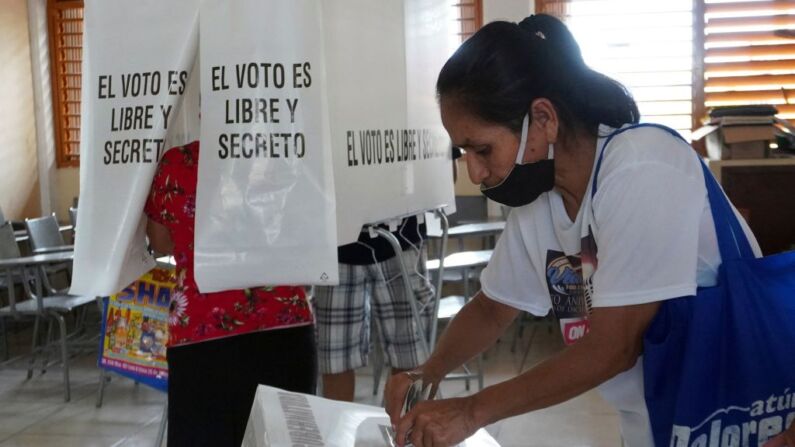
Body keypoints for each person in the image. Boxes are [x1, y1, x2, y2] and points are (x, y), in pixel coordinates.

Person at [384, 14, 765, 447]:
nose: (474, 171)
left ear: (542, 118)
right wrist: (427, 371)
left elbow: (612, 348)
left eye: (482, 148)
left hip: (735, 414)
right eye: (463, 151)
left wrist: (470, 412)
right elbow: (493, 307)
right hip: (656, 420)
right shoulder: (544, 197)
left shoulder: (641, 166)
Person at [145, 141, 316, 446]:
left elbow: (160, 242)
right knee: (282, 438)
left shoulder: (178, 162)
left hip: (202, 330)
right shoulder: (285, 155)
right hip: (284, 322)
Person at [313, 216, 435, 402]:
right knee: (334, 359)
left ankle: (402, 429)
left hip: (403, 239)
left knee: (411, 357)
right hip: (335, 244)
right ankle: (337, 429)